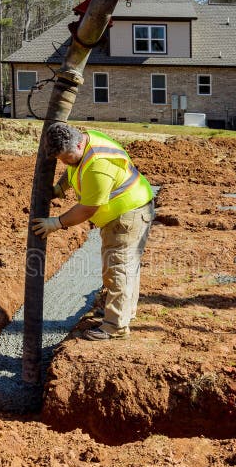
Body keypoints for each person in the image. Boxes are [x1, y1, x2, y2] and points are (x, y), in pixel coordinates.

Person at [32, 122, 155, 341]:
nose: (65, 162)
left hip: (128, 214)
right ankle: (124, 312)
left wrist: (56, 223)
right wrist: (60, 188)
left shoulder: (98, 163)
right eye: (61, 159)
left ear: (79, 143)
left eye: (67, 157)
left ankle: (116, 326)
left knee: (119, 268)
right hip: (124, 211)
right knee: (121, 267)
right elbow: (74, 169)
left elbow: (88, 208)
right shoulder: (84, 141)